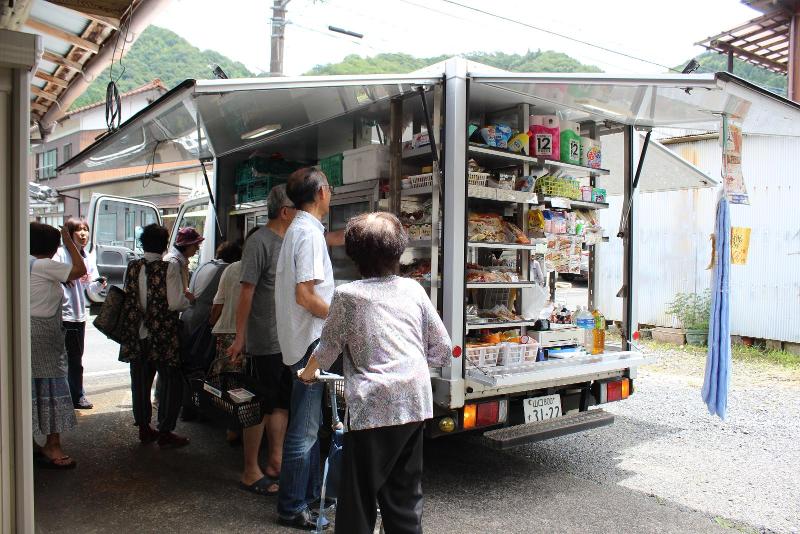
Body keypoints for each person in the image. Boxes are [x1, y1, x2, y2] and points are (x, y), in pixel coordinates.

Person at [299, 212, 452, 534]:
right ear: (399, 252)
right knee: (404, 496)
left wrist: (308, 373)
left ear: (354, 255)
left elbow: (327, 348)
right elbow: (442, 348)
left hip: (373, 407)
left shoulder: (348, 295)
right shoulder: (413, 289)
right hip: (415, 401)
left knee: (358, 496)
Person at [274, 168, 343, 530]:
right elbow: (305, 296)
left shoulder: (301, 230)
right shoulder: (307, 234)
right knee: (303, 430)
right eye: (329, 188)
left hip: (299, 339)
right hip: (308, 342)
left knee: (312, 427)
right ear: (319, 193)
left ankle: (311, 496)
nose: (330, 194)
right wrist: (341, 320)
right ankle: (291, 507)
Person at [225, 185, 297, 497]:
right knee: (259, 405)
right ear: (285, 212)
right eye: (298, 209)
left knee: (281, 402)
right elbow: (246, 291)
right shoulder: (259, 242)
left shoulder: (293, 241)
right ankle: (250, 470)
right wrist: (240, 337)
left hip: (288, 340)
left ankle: (275, 462)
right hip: (265, 339)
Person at [118, 224, 191, 448]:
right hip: (163, 335)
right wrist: (189, 299)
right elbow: (176, 302)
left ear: (142, 243)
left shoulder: (132, 266)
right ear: (164, 244)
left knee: (140, 381)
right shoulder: (168, 268)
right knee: (170, 381)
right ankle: (165, 430)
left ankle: (143, 428)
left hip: (136, 333)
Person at [30, 222, 87, 469]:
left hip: (29, 335)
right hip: (43, 338)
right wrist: (70, 243)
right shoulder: (44, 265)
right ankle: (52, 445)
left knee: (30, 390)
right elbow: (79, 269)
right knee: (52, 389)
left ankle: (31, 443)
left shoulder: (24, 262)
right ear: (53, 246)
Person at [56, 217, 106, 410]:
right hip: (62, 313)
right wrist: (61, 278)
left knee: (76, 358)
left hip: (78, 314)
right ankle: (74, 396)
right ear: (69, 234)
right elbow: (51, 276)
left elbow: (90, 291)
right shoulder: (60, 254)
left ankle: (74, 395)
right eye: (79, 230)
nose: (84, 233)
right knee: (67, 359)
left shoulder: (88, 257)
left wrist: (98, 284)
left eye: (86, 229)